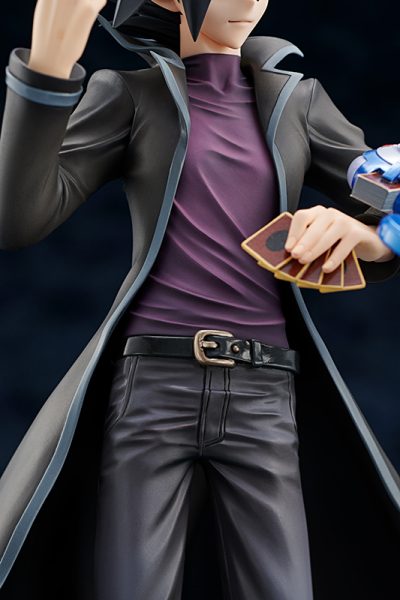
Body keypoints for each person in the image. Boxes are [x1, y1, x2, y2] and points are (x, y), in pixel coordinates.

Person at [0, 1, 399, 599]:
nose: (250, 2)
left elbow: (388, 186)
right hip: (151, 390)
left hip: (265, 393)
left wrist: (371, 234)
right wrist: (49, 69)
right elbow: (19, 217)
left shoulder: (299, 101)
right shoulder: (132, 95)